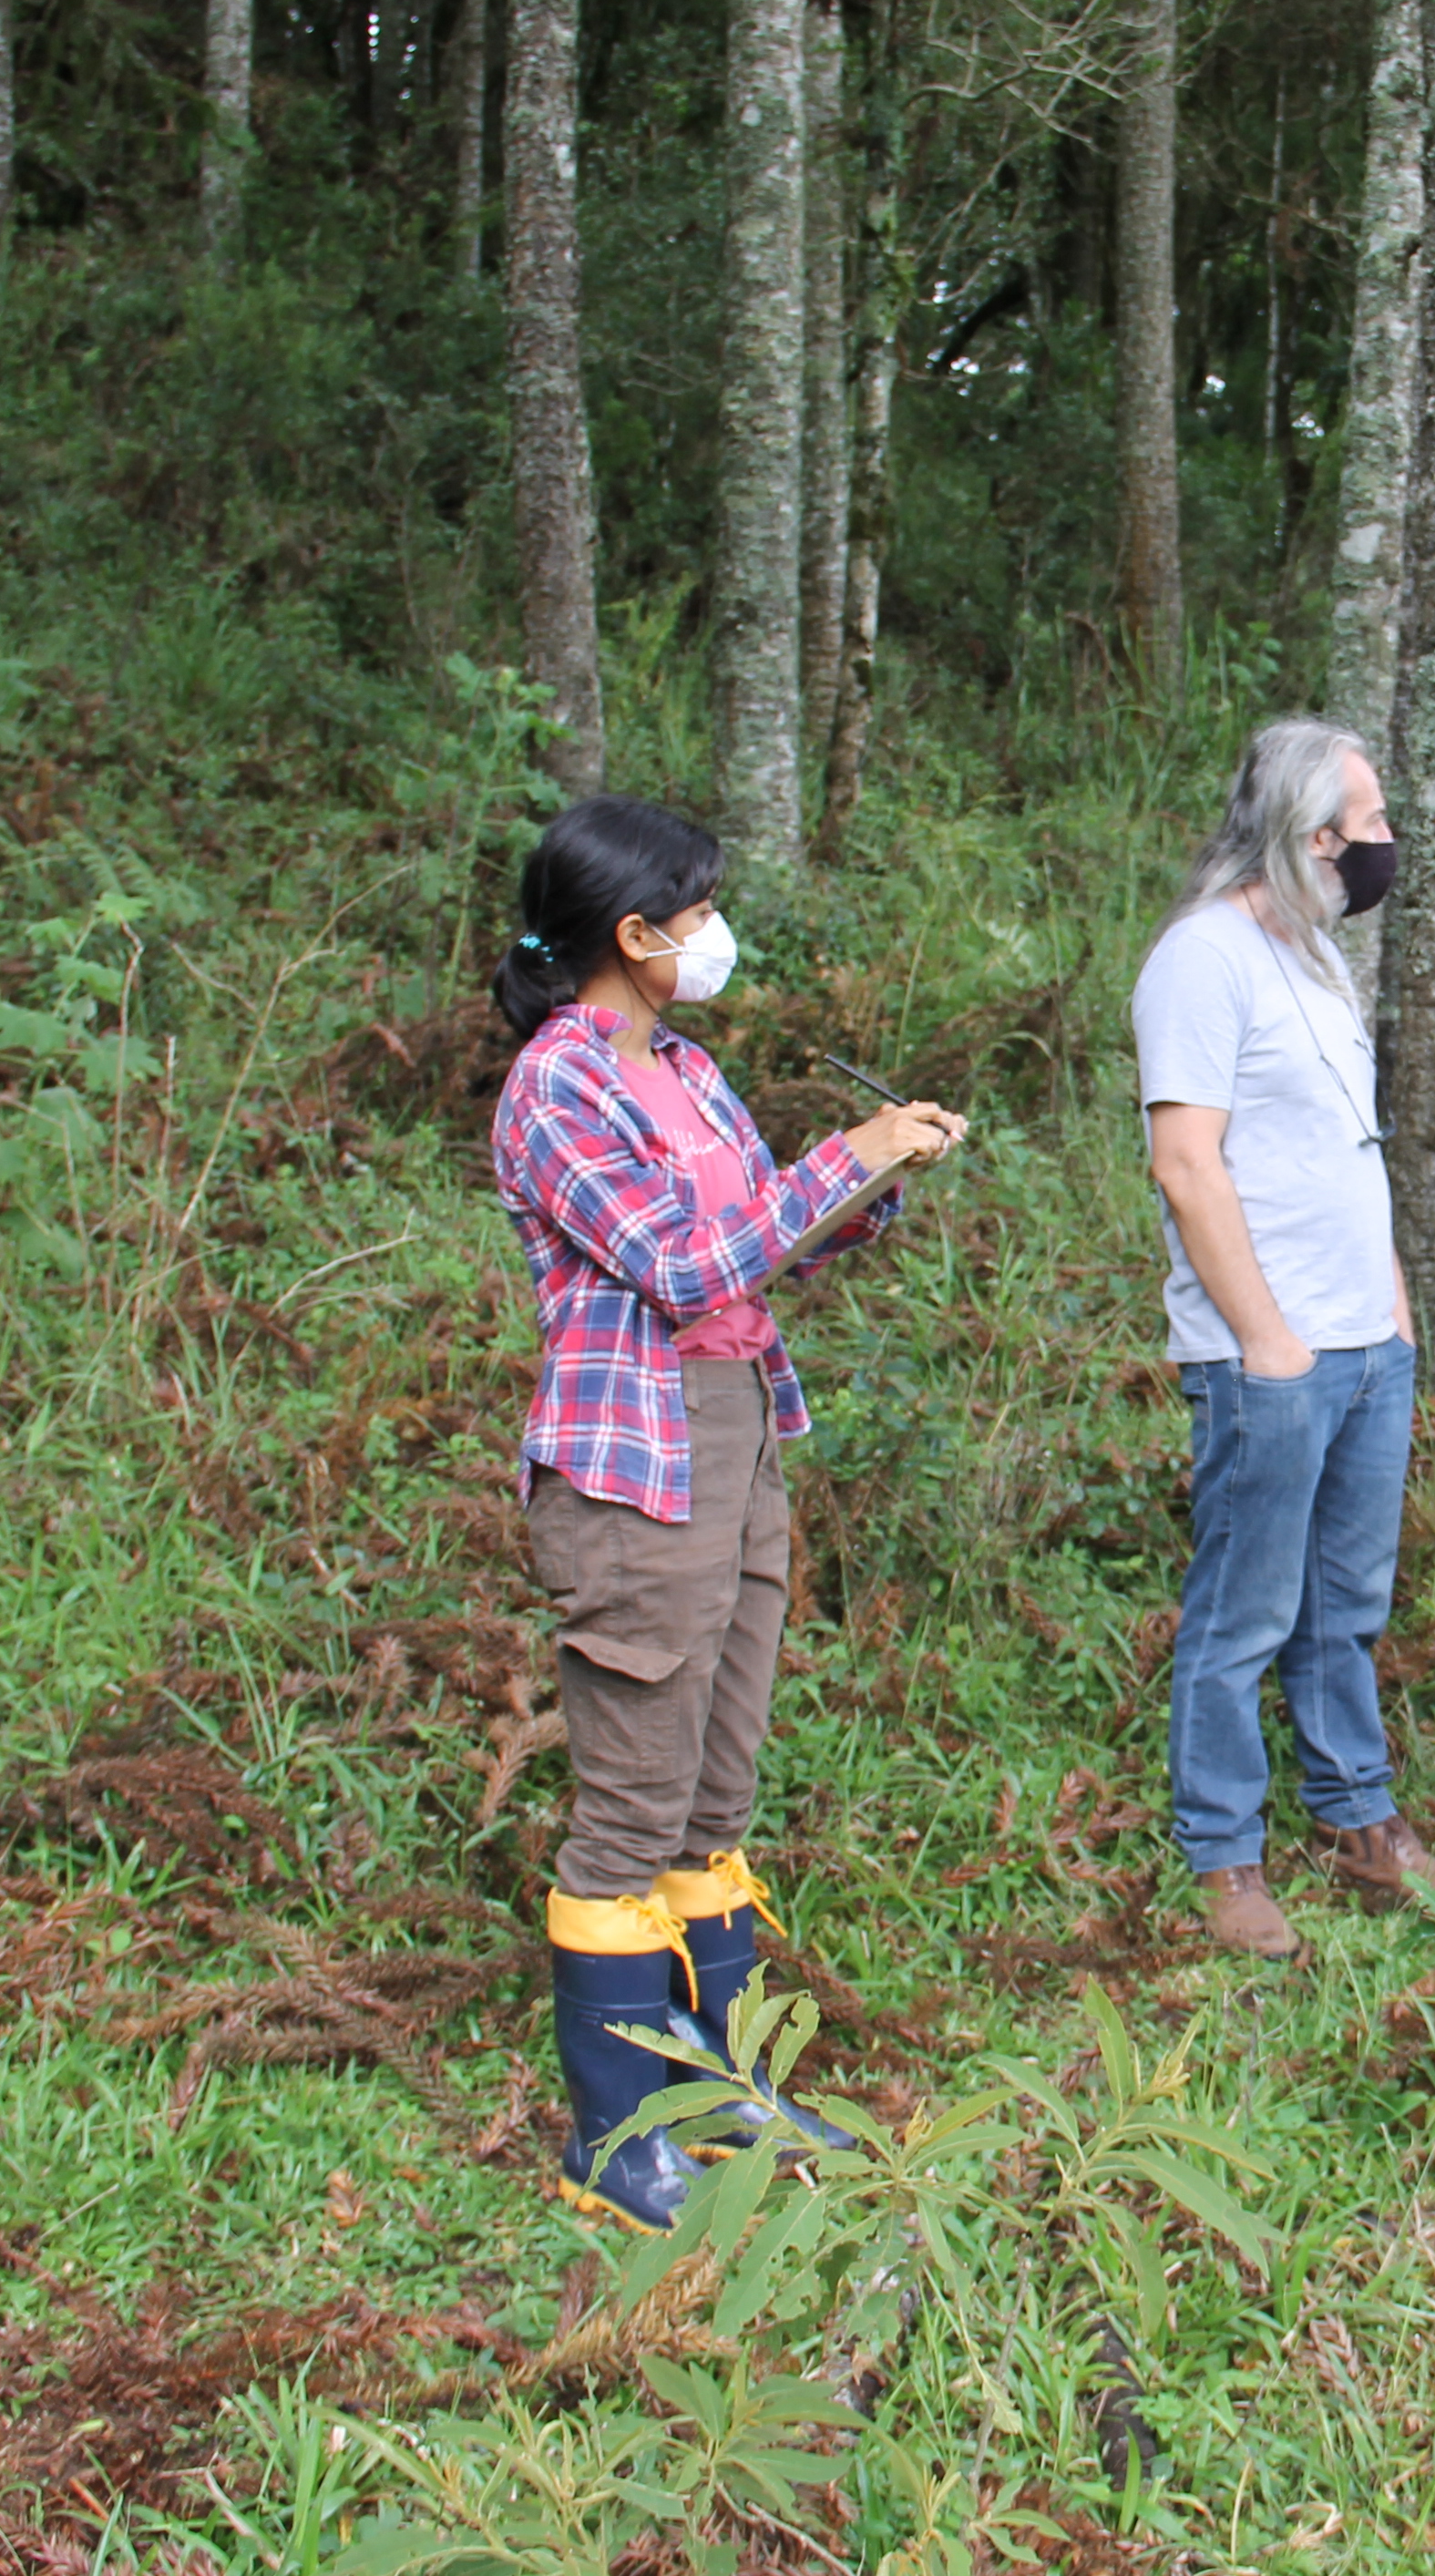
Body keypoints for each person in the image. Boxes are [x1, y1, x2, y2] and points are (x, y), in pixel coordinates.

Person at [489, 795, 967, 2232]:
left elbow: (768, 1243)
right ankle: (618, 2137)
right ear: (631, 937)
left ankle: (726, 2091)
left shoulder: (686, 1070)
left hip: (742, 1432)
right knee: (632, 1802)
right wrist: (843, 1155)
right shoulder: (555, 1089)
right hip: (635, 1457)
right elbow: (682, 1265)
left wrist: (870, 1178)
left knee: (715, 1789)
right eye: (693, 912)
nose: (712, 934)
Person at [1133, 718, 1435, 1964]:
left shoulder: (1320, 961)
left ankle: (1361, 1823)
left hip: (1364, 1346)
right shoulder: (1202, 959)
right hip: (1268, 1356)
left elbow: (1346, 1149)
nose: (1388, 844)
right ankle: (1225, 1858)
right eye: (1373, 822)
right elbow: (1188, 1164)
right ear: (1311, 833)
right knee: (1242, 1613)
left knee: (1346, 1606)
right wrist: (1268, 1339)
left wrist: (1389, 1309)